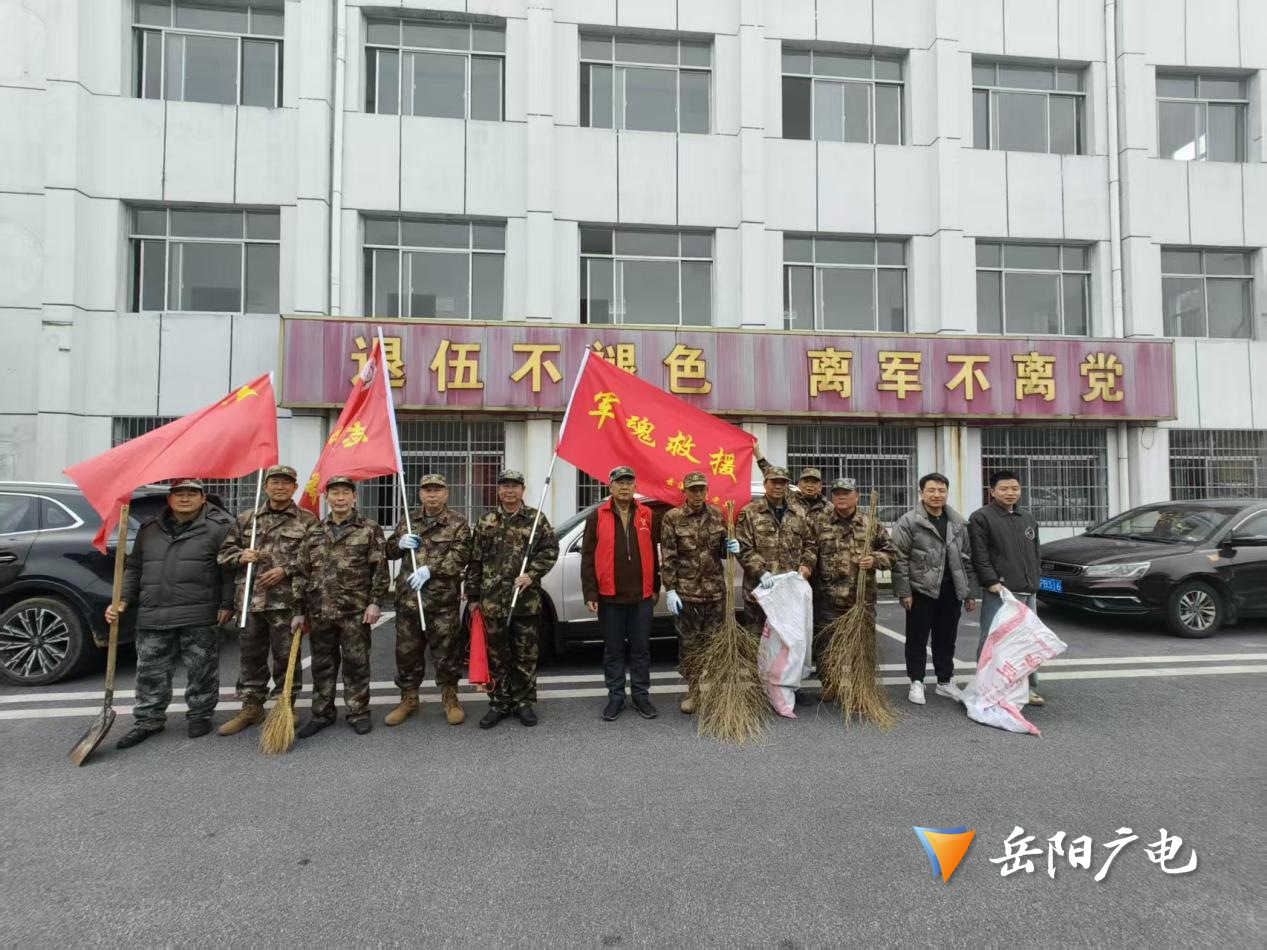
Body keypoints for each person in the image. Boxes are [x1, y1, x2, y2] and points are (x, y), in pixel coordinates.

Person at [107, 479, 235, 749]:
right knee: (150, 672)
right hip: (153, 611)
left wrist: (227, 604)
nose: (185, 499)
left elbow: (228, 570)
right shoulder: (149, 529)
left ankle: (200, 715)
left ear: (203, 499)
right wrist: (122, 600)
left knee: (202, 670)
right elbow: (133, 568)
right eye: (179, 494)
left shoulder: (218, 528)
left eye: (191, 494)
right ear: (169, 499)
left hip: (199, 611)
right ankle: (148, 720)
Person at [215, 465, 317, 736]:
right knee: (251, 656)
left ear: (295, 487)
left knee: (286, 657)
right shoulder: (247, 518)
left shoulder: (307, 520)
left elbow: (317, 558)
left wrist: (286, 569)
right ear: (266, 486)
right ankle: (251, 706)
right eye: (275, 482)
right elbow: (223, 554)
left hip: (286, 602)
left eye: (286, 483)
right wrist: (240, 556)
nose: (280, 487)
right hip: (250, 602)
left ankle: (286, 705)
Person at [294, 476, 388, 738]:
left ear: (354, 497)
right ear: (327, 498)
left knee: (356, 664)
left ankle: (358, 711)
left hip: (354, 611)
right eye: (335, 493)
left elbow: (380, 570)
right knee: (322, 665)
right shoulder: (314, 530)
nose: (340, 498)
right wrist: (298, 611)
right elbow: (302, 572)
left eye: (346, 492)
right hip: (320, 610)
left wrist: (375, 602)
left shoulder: (368, 528)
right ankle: (322, 713)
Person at [465, 469, 559, 730]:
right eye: (505, 486)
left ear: (522, 490)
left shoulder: (536, 519)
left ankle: (523, 703)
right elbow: (475, 561)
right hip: (492, 602)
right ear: (498, 490)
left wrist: (532, 574)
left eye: (515, 486)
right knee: (497, 656)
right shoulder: (486, 521)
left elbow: (550, 550)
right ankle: (499, 703)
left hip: (525, 602)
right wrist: (472, 596)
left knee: (525, 655)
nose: (509, 491)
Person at [384, 473, 472, 727]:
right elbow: (388, 551)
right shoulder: (408, 519)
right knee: (407, 654)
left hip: (442, 603)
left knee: (446, 654)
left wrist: (430, 570)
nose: (432, 495)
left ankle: (450, 699)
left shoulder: (457, 522)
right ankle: (409, 699)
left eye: (437, 490)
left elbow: (461, 555)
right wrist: (399, 543)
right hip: (409, 601)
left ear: (446, 493)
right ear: (420, 494)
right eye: (427, 490)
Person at [890, 473, 978, 706]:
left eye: (941, 490)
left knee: (946, 638)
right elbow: (899, 559)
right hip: (921, 589)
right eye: (931, 490)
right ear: (921, 493)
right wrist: (904, 591)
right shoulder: (909, 521)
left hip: (951, 590)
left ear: (947, 492)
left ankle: (944, 681)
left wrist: (969, 592)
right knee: (917, 638)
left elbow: (967, 559)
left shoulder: (958, 523)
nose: (936, 495)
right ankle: (916, 681)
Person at [581, 466, 662, 722]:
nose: (624, 487)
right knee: (613, 650)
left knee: (641, 649)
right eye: (619, 482)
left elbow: (653, 553)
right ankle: (616, 696)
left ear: (635, 487)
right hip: (610, 596)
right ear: (610, 487)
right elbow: (587, 557)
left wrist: (656, 587)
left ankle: (640, 695)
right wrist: (590, 592)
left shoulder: (647, 514)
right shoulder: (597, 516)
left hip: (641, 597)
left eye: (629, 482)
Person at [659, 471, 737, 714]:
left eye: (701, 489)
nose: (697, 494)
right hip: (687, 595)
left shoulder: (716, 515)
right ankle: (694, 690)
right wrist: (670, 590)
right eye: (692, 489)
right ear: (685, 491)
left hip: (715, 593)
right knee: (690, 645)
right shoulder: (673, 518)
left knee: (714, 644)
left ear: (706, 491)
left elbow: (722, 551)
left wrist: (730, 548)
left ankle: (711, 691)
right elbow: (668, 558)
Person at [810, 478, 897, 686]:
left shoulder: (870, 523)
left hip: (861, 599)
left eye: (846, 493)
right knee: (826, 646)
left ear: (856, 496)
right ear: (831, 497)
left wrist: (875, 559)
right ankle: (830, 684)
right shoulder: (819, 522)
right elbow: (809, 552)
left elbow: (892, 554)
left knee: (862, 647)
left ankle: (861, 687)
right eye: (837, 493)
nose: (841, 497)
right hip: (828, 599)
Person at [969, 470, 1045, 706]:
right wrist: (991, 581)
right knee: (993, 640)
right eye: (1004, 489)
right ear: (992, 492)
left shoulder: (1027, 518)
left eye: (1014, 488)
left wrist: (1035, 579)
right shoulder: (981, 518)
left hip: (1028, 590)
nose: (1010, 493)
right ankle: (987, 687)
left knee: (1026, 640)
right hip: (1000, 591)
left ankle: (1026, 688)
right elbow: (979, 555)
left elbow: (1035, 553)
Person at [735, 467, 816, 638]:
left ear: (787, 485)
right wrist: (760, 572)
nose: (778, 486)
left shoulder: (799, 513)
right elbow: (743, 547)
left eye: (783, 482)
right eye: (774, 482)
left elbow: (811, 544)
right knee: (758, 642)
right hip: (760, 592)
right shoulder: (750, 512)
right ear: (765, 483)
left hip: (790, 592)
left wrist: (806, 565)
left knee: (787, 643)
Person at [754, 442, 826, 518]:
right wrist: (757, 453)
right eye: (806, 482)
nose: (809, 485)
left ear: (820, 486)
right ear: (799, 484)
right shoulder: (791, 498)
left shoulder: (828, 508)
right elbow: (771, 473)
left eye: (814, 482)